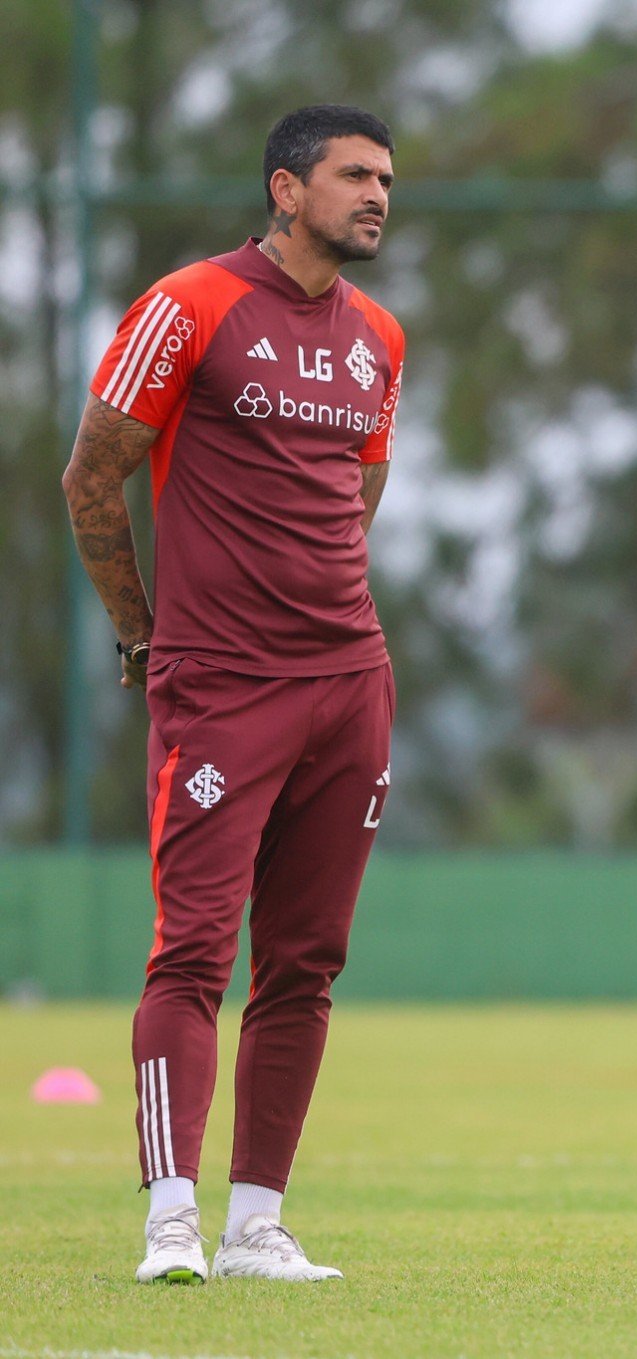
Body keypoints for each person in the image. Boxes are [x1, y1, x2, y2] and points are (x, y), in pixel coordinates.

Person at [61, 104, 406, 1284]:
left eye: (387, 180)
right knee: (192, 955)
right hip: (220, 685)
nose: (377, 196)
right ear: (283, 188)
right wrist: (141, 636)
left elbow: (354, 503)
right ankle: (171, 1222)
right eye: (354, 176)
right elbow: (89, 480)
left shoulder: (381, 339)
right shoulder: (188, 307)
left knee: (305, 962)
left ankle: (258, 1224)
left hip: (350, 684)